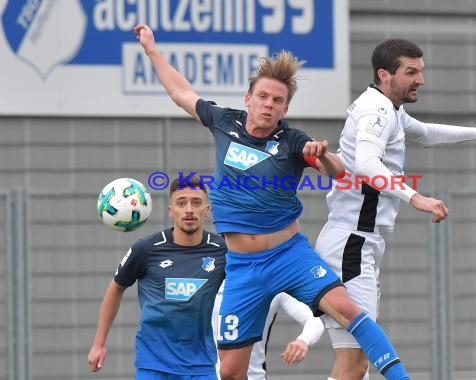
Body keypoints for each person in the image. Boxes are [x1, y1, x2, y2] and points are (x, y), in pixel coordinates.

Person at [134, 23, 411, 380]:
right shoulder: (224, 122)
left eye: (277, 100)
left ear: (284, 108)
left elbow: (341, 173)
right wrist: (152, 50)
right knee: (231, 372)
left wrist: (323, 156)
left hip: (289, 257)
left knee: (350, 312)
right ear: (249, 98)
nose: (269, 104)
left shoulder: (294, 141)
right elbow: (180, 92)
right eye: (263, 96)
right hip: (242, 269)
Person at [315, 38, 476, 380]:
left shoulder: (389, 109)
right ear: (384, 74)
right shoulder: (376, 111)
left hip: (357, 244)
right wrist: (416, 198)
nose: (421, 80)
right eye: (411, 72)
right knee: (355, 363)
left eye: (421, 71)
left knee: (356, 363)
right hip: (351, 245)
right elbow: (367, 164)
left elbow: (425, 132)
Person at [87, 177, 226, 379]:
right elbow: (116, 287)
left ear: (207, 210)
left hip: (201, 366)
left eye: (196, 203)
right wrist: (99, 344)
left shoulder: (222, 252)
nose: (189, 209)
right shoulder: (146, 249)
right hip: (153, 365)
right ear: (171, 211)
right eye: (181, 203)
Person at [212, 285, 325, 380]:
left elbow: (314, 320)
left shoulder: (273, 283)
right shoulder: (208, 276)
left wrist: (303, 340)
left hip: (254, 376)